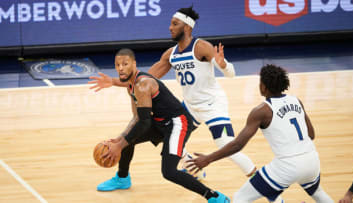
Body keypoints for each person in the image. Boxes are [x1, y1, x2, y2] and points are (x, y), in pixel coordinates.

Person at [89, 5, 257, 182]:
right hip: (190, 106)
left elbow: (231, 74)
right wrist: (113, 82)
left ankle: (258, 178)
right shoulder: (171, 54)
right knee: (167, 131)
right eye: (171, 23)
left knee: (226, 145)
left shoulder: (201, 47)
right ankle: (193, 167)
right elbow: (143, 79)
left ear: (187, 27)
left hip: (212, 105)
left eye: (175, 24)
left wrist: (223, 65)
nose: (170, 27)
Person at [186, 64, 334, 203]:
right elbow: (311, 135)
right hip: (311, 160)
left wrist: (208, 159)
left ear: (263, 86)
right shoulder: (296, 101)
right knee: (318, 192)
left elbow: (237, 145)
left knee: (240, 198)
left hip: (287, 166)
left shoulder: (261, 111)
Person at [98, 48, 230, 203]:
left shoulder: (143, 84)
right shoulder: (131, 86)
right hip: (160, 122)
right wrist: (119, 140)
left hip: (177, 123)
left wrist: (120, 145)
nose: (120, 68)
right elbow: (136, 118)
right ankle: (122, 178)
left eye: (125, 64)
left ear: (134, 64)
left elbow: (144, 122)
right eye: (117, 64)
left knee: (169, 172)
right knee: (128, 139)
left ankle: (213, 196)